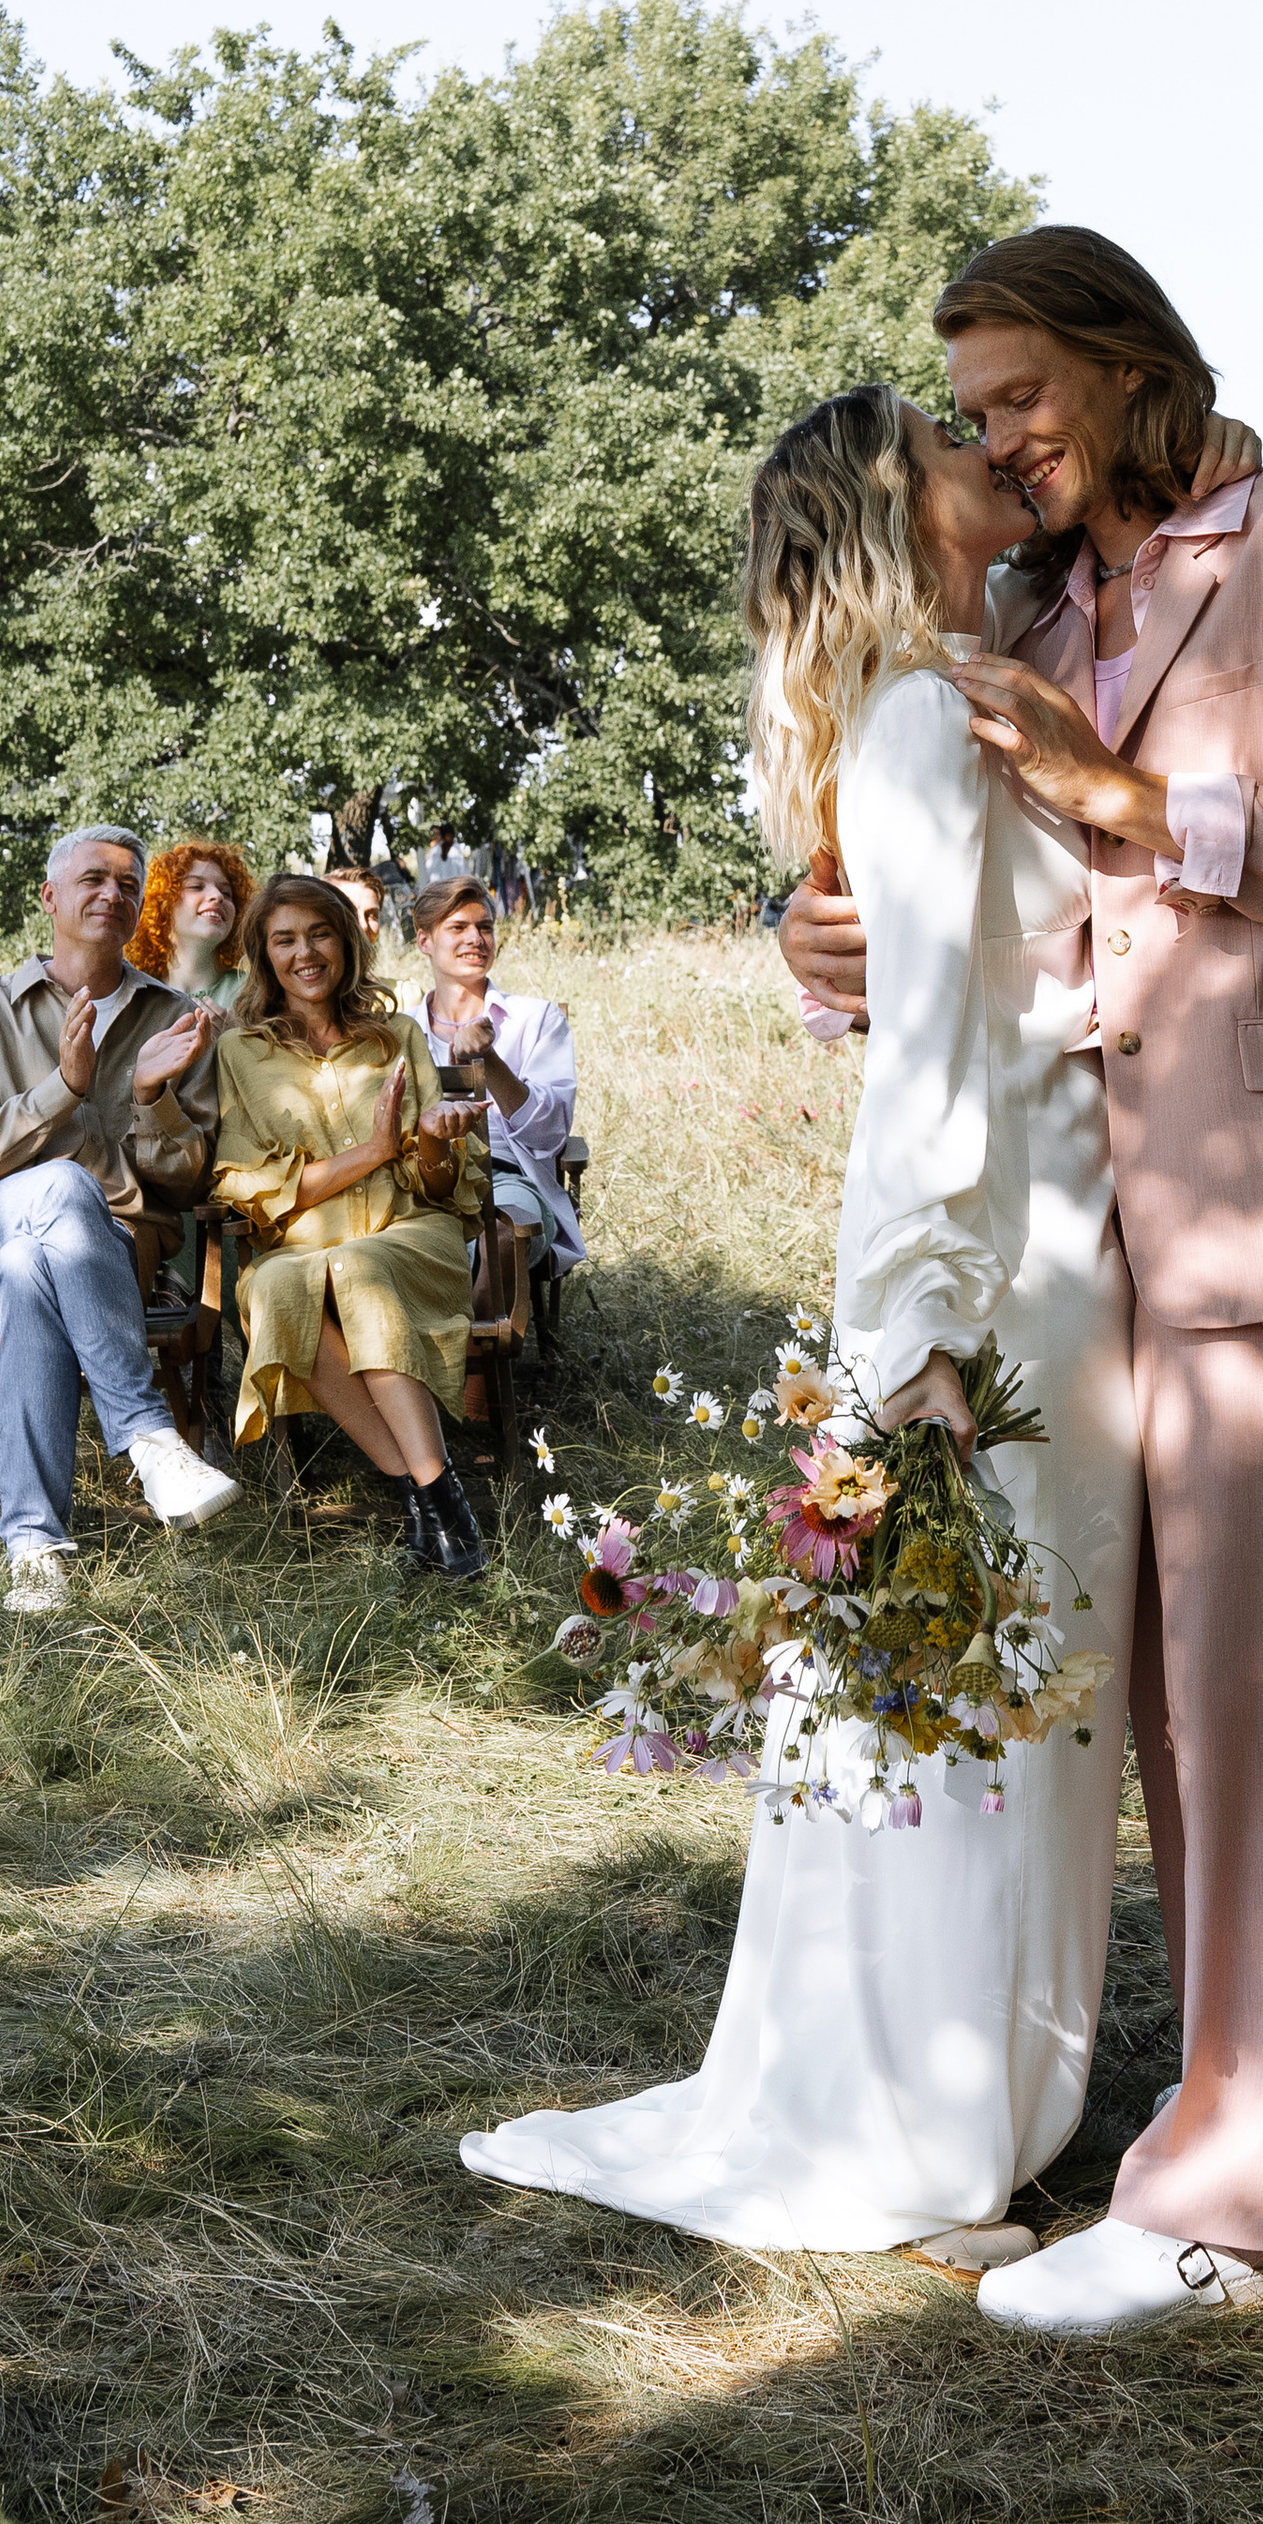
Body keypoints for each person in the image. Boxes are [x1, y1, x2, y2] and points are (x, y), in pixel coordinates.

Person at [785, 226, 1263, 2337]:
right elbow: (986, 897)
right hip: (1093, 1240)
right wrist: (823, 941)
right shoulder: (1027, 606)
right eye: (976, 410)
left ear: (1129, 366)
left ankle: (1257, 2198)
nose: (1001, 439)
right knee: (1196, 1714)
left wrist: (1133, 794)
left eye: (1024, 395)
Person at [462, 378, 1143, 2273]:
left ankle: (967, 2106)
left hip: (1055, 1234)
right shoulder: (923, 714)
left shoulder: (979, 680)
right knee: (960, 1684)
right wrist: (919, 1335)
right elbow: (924, 1041)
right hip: (983, 1263)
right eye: (947, 439)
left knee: (1018, 1684)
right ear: (893, 509)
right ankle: (911, 2136)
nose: (988, 449)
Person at [0, 828, 240, 1614]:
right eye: (94, 878)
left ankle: (35, 1552)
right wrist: (61, 1090)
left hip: (115, 1253)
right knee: (58, 1194)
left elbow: (187, 1182)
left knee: (33, 1270)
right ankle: (149, 1436)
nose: (113, 893)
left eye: (129, 884)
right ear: (50, 898)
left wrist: (151, 1098)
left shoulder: (173, 1019)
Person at [210, 874, 493, 1579]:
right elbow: (245, 1184)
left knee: (357, 1268)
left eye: (320, 934)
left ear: (346, 942)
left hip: (408, 1233)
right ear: (264, 956)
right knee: (275, 1287)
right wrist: (371, 1151)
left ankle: (433, 1503)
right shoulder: (241, 1052)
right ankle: (435, 1499)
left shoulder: (398, 1038)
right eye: (284, 940)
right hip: (303, 1246)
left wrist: (434, 1141)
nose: (305, 953)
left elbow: (442, 1187)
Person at [406, 874, 583, 1285]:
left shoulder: (534, 1019)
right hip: (420, 1179)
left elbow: (549, 1136)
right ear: (424, 941)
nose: (476, 939)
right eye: (458, 928)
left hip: (504, 1174)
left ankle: (484, 1326)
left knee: (502, 1233)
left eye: (484, 927)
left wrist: (490, 1060)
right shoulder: (401, 1031)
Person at [124, 840, 254, 1010]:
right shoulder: (133, 997)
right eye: (196, 886)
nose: (217, 896)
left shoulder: (254, 992)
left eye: (226, 892)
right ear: (163, 903)